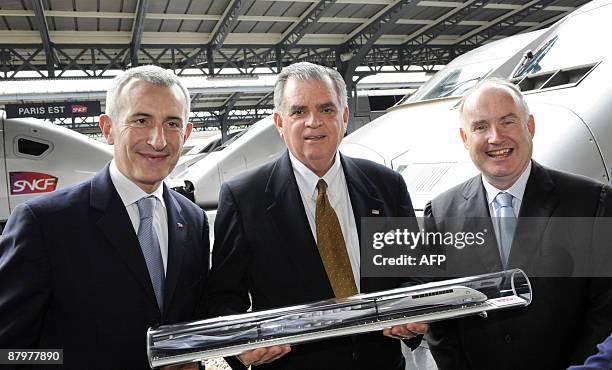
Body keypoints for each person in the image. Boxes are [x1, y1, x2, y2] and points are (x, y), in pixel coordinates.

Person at [202, 62, 427, 370]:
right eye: (298, 111)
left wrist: (410, 310)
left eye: (326, 109)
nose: (313, 122)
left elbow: (413, 271)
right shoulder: (244, 198)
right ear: (280, 122)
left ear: (344, 117)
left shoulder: (386, 185)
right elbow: (224, 296)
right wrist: (242, 343)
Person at [0, 65, 209, 369]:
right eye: (141, 120)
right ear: (108, 128)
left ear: (187, 132)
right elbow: (9, 353)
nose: (158, 140)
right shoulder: (44, 223)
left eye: (172, 123)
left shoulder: (193, 221)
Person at [424, 78, 612, 369]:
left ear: (530, 127)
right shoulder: (440, 213)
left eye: (507, 121)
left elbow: (605, 309)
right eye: (480, 126)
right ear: (465, 137)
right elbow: (442, 319)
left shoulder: (592, 202)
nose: (495, 137)